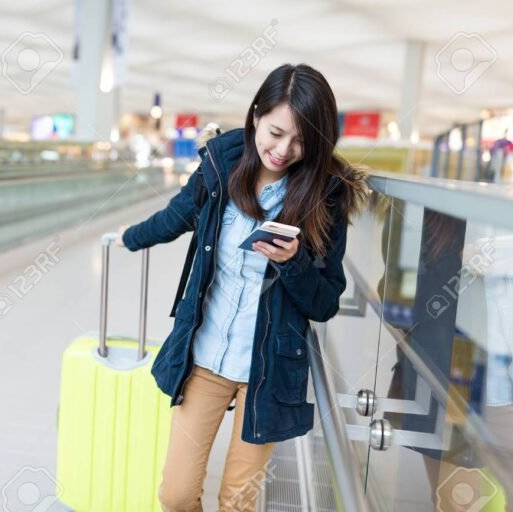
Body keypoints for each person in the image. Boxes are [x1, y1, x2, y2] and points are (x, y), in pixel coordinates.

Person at [114, 63, 367, 511]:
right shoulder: (220, 164)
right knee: (175, 494)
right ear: (255, 116)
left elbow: (326, 301)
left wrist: (294, 264)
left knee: (237, 500)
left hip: (267, 368)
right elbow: (176, 217)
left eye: (301, 140)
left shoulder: (325, 194)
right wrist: (128, 237)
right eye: (275, 132)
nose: (284, 150)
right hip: (207, 353)